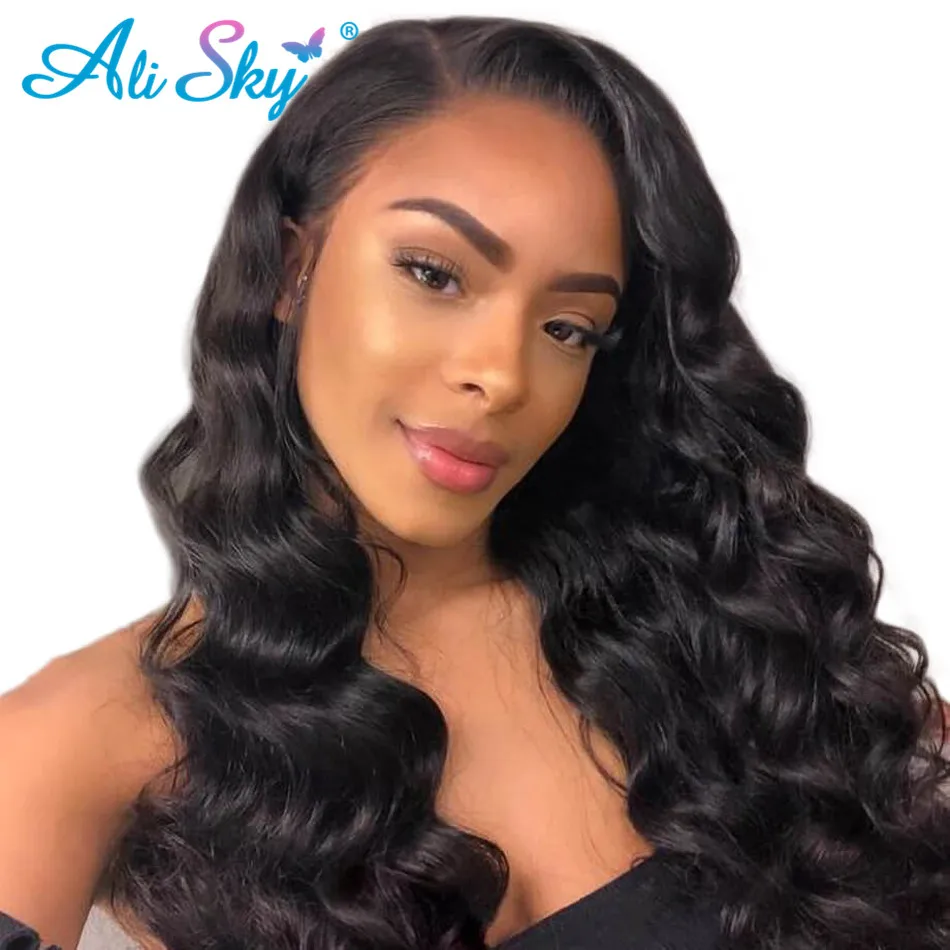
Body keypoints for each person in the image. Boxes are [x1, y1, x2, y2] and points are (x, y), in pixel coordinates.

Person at [1, 14, 948, 950]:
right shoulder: (86, 737)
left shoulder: (729, 635)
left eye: (568, 328)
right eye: (434, 274)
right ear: (292, 269)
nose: (501, 375)